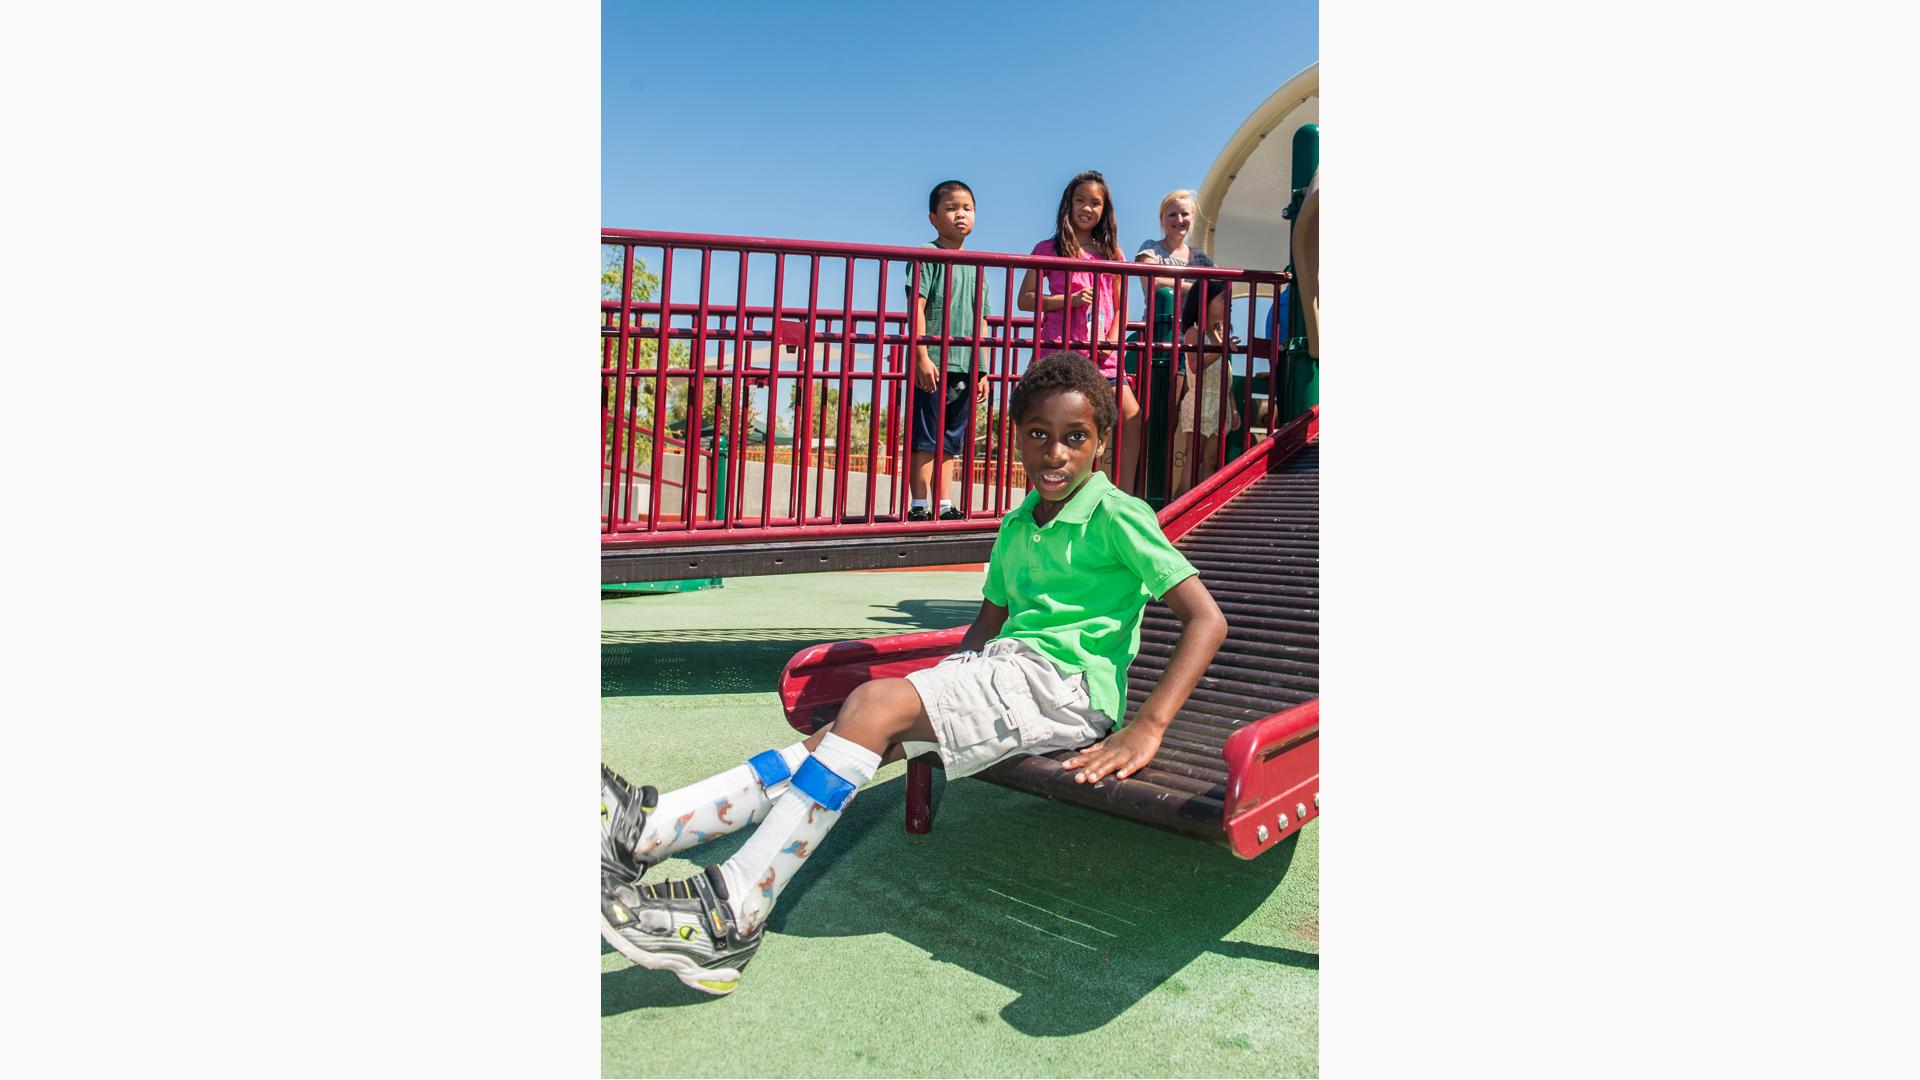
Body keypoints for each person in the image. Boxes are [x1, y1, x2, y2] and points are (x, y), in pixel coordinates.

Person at [600, 352, 1229, 996]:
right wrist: (936, 686)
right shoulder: (1017, 525)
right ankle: (654, 828)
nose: (1056, 453)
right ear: (1015, 435)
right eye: (1038, 434)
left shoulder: (1118, 516)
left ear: (1100, 442)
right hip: (1007, 672)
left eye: (1075, 437)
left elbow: (1206, 620)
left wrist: (1146, 727)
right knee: (852, 733)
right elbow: (989, 625)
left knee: (872, 702)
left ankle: (734, 910)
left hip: (1065, 692)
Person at [1016, 172, 1143, 492]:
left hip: (1102, 354)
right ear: (1068, 205)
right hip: (1060, 350)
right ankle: (1043, 494)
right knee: (1051, 422)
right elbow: (1025, 300)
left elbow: (1121, 306)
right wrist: (1066, 301)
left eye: (1095, 203)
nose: (1087, 208)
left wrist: (1112, 342)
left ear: (1105, 209)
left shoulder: (1112, 253)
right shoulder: (1048, 249)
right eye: (1080, 200)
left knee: (1131, 417)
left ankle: (1123, 496)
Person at [906, 180, 990, 521]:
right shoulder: (927, 256)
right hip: (935, 363)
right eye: (951, 208)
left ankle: (944, 504)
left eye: (967, 208)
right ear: (933, 217)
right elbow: (917, 307)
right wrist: (922, 356)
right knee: (926, 438)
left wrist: (984, 370)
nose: (961, 215)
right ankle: (919, 505)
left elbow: (982, 321)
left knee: (951, 441)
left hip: (967, 365)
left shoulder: (978, 266)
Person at [1130, 189, 1214, 501]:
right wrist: (1194, 285)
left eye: (1185, 214)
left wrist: (1176, 280)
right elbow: (1148, 277)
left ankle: (1169, 492)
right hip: (1157, 343)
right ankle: (1140, 490)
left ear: (1192, 219)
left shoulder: (1202, 258)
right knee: (1150, 416)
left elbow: (1215, 293)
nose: (1179, 219)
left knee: (1178, 418)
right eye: (1172, 214)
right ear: (1162, 220)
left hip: (1189, 346)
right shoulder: (1151, 248)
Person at [1170, 280, 1242, 498]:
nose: (1229, 304)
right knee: (1194, 459)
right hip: (1202, 403)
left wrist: (1233, 407)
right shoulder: (1195, 333)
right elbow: (1194, 366)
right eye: (1223, 299)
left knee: (1211, 459)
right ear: (1206, 302)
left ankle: (1205, 502)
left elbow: (1225, 377)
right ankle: (1178, 503)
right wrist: (1220, 350)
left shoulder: (1220, 333)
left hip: (1219, 405)